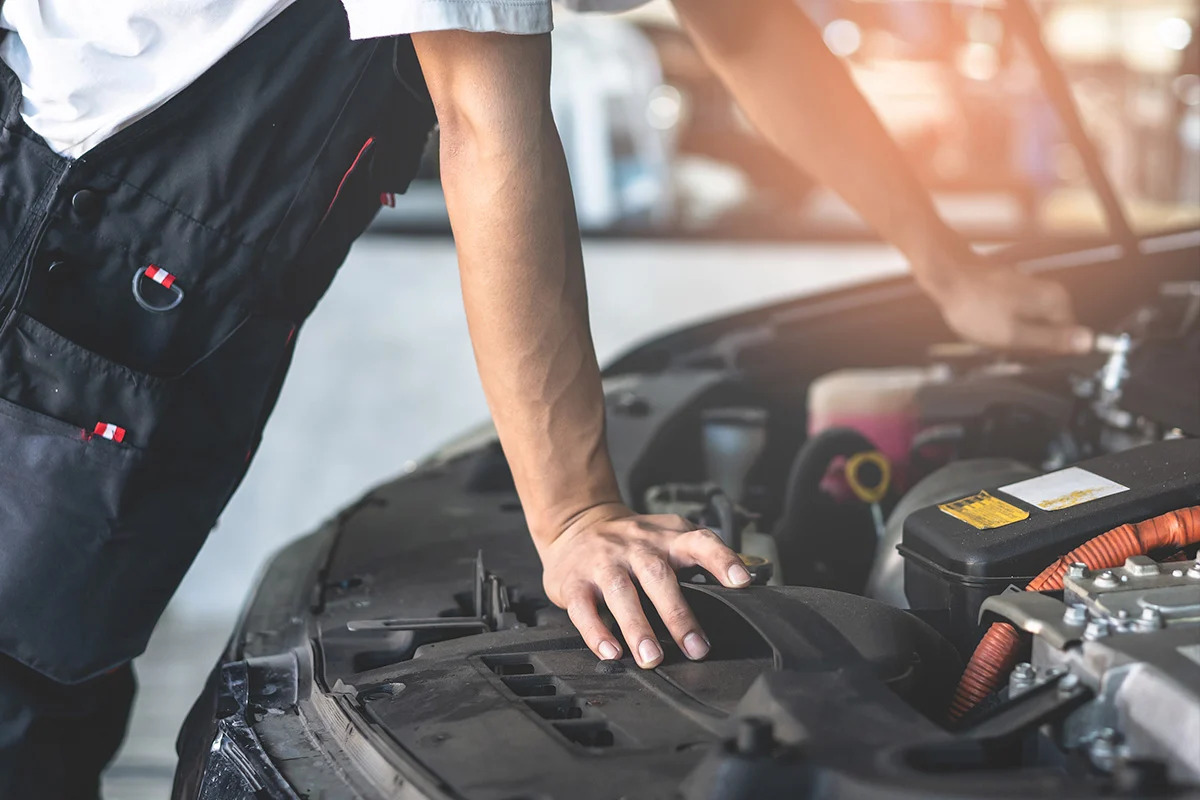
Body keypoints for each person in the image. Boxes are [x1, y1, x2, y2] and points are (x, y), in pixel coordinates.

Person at [0, 0, 1092, 794]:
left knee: (63, 680)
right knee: (23, 701)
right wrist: (576, 512)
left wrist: (949, 270)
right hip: (74, 242)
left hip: (173, 272)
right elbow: (486, 117)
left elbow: (750, 26)